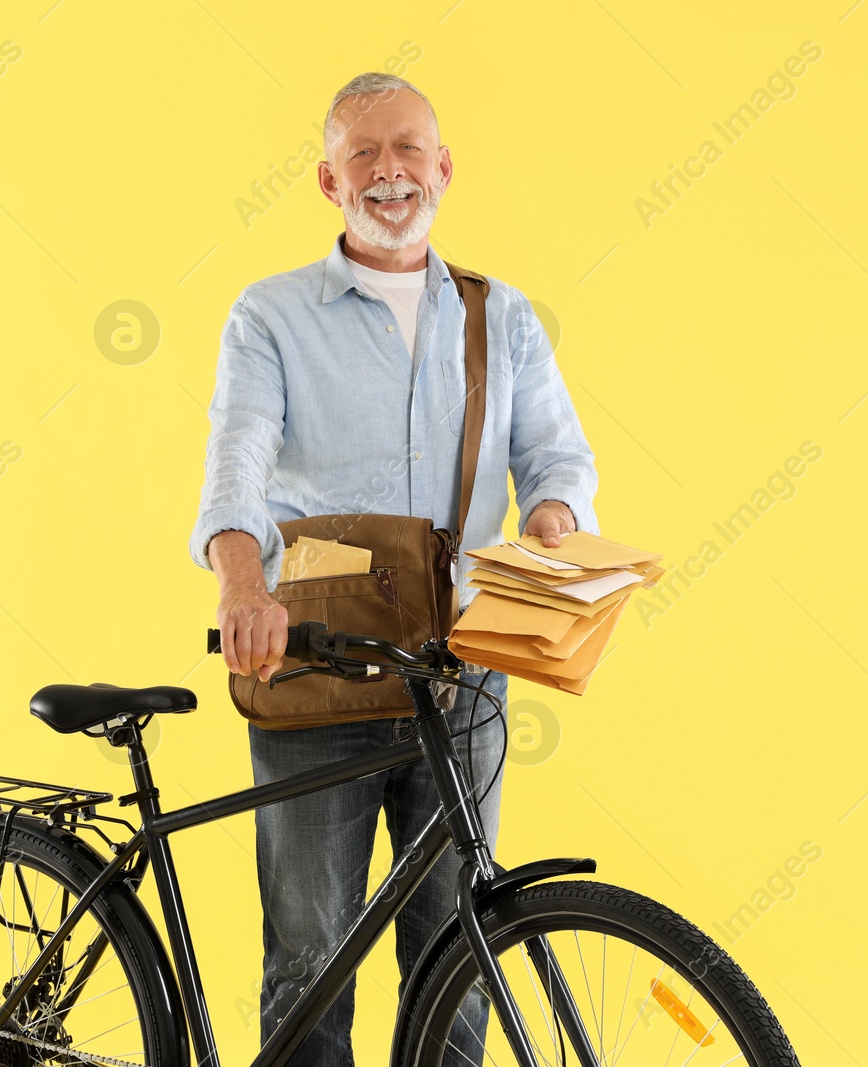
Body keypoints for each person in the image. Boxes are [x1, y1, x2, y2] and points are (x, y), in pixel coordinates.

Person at [189, 71, 599, 1065]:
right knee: (308, 959)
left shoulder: (500, 318)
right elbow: (237, 457)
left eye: (407, 148)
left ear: (443, 169)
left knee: (459, 954)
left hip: (462, 669)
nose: (387, 171)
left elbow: (555, 455)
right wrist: (243, 582)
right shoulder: (269, 316)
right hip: (317, 659)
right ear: (328, 181)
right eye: (361, 154)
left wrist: (552, 512)